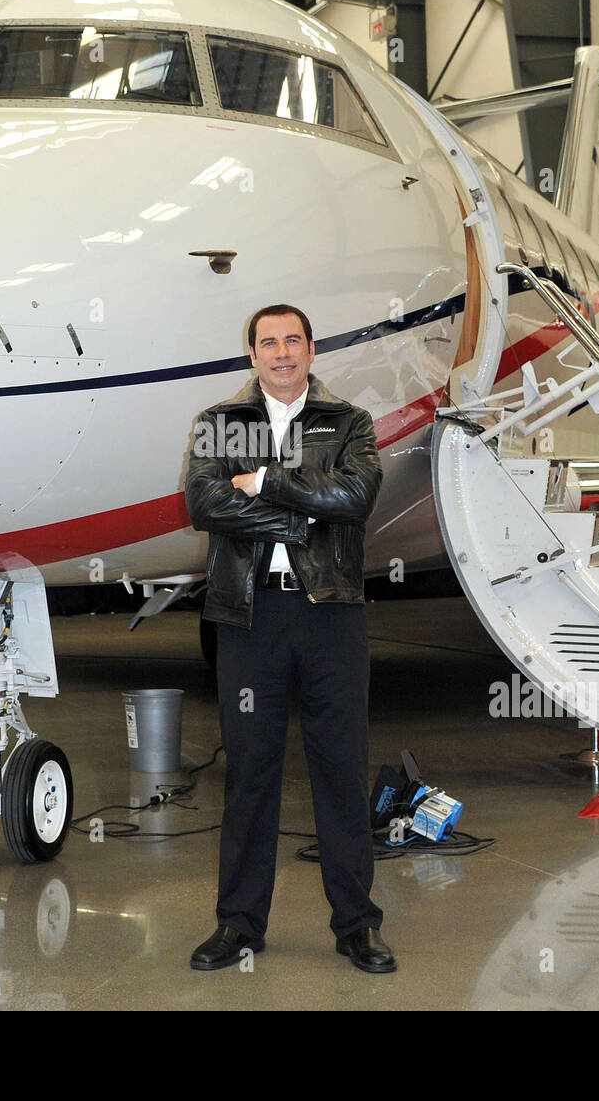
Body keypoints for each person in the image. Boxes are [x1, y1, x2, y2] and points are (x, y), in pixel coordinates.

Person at [183, 303, 394, 973]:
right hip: (249, 620)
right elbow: (205, 503)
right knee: (250, 773)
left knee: (340, 770)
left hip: (330, 615)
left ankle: (357, 925)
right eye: (268, 342)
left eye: (292, 341)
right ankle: (238, 925)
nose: (281, 352)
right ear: (251, 353)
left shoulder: (348, 422)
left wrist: (269, 482)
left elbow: (356, 497)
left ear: (310, 350)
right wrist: (301, 518)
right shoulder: (219, 424)